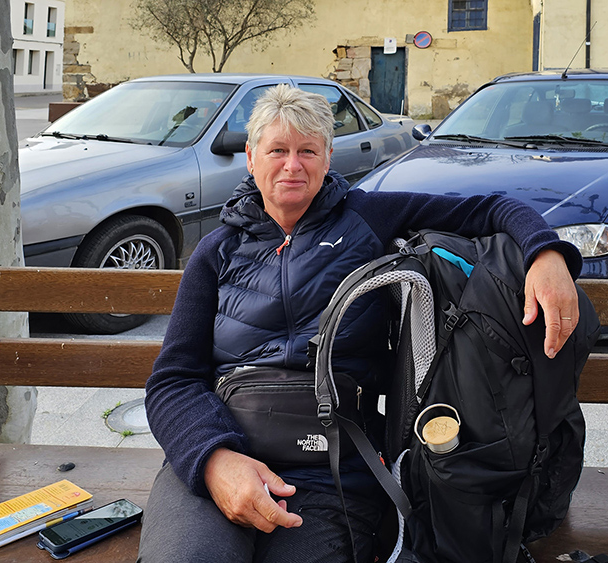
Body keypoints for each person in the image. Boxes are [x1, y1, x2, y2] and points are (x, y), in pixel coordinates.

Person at [138, 84, 582, 563]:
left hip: (333, 473)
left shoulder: (368, 217)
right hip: (224, 454)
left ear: (328, 157)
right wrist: (214, 461)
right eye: (278, 150)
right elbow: (172, 380)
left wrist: (546, 254)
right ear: (251, 157)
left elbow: (491, 208)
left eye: (308, 151)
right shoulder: (217, 250)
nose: (293, 165)